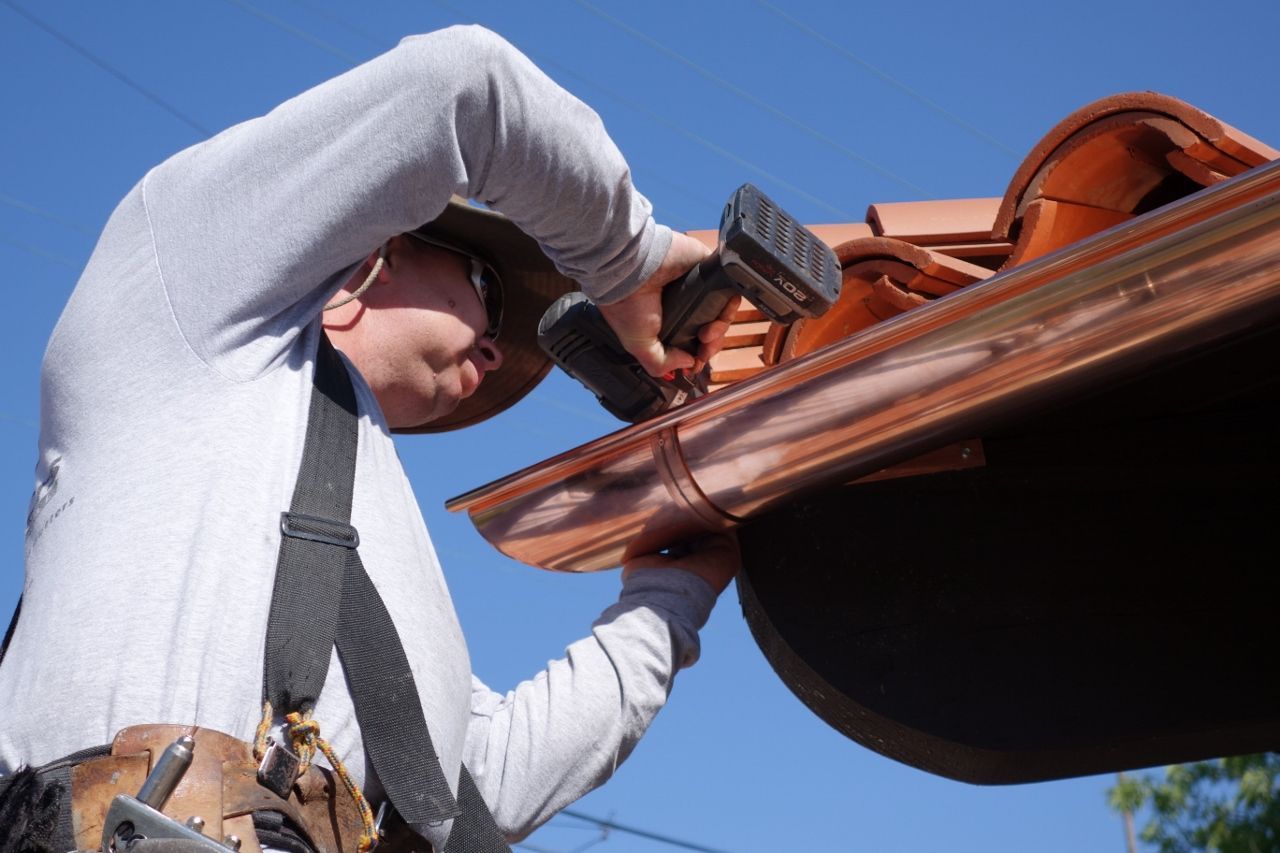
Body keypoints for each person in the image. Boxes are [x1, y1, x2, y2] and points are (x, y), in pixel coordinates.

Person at [0, 25, 741, 852]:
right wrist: (628, 258)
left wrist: (674, 592)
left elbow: (486, 778)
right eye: (487, 294)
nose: (496, 346)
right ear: (369, 262)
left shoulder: (378, 536)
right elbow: (466, 87)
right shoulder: (176, 298)